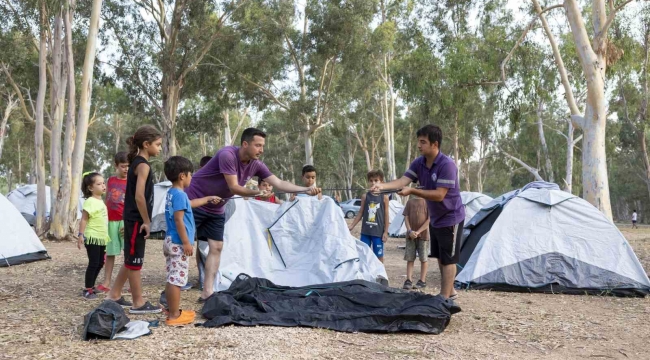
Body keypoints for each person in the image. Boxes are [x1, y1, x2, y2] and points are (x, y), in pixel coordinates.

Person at [186, 127, 322, 302]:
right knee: (182, 246)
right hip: (196, 201)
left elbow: (278, 183)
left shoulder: (256, 164)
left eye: (263, 146)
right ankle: (172, 290)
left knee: (216, 247)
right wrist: (256, 193)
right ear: (245, 144)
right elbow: (233, 187)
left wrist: (305, 189)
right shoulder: (227, 155)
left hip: (216, 208)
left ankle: (208, 292)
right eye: (258, 145)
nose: (261, 150)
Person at [370, 124, 464, 301]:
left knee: (449, 259)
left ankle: (444, 298)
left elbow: (439, 195)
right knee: (441, 258)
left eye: (423, 142)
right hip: (436, 218)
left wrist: (412, 191)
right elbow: (402, 181)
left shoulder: (447, 165)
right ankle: (450, 292)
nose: (419, 145)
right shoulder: (419, 162)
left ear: (435, 144)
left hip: (451, 217)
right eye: (418, 142)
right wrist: (382, 186)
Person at [106, 125, 163, 314]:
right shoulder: (143, 165)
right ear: (146, 144)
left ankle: (114, 294)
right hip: (136, 219)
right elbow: (139, 196)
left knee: (131, 258)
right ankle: (138, 303)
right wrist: (146, 221)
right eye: (158, 144)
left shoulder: (138, 163)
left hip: (132, 218)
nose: (160, 148)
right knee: (135, 260)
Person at [162, 156, 221, 325]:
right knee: (177, 278)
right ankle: (174, 316)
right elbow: (179, 220)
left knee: (172, 276)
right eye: (190, 175)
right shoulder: (180, 195)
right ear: (182, 176)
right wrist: (186, 242)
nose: (191, 178)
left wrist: (208, 198)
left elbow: (191, 203)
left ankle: (173, 310)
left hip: (170, 240)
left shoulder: (173, 193)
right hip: (179, 243)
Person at [99, 152, 129, 292]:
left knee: (129, 253)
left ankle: (130, 283)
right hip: (111, 221)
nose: (126, 169)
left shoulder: (132, 181)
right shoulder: (110, 180)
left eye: (128, 166)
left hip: (125, 221)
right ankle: (106, 282)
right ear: (116, 165)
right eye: (123, 166)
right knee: (109, 253)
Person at [77, 172, 110, 300]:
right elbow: (84, 219)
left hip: (101, 237)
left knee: (100, 263)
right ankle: (87, 289)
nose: (103, 186)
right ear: (91, 188)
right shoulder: (90, 201)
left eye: (103, 183)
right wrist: (81, 235)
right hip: (92, 237)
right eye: (99, 184)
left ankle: (91, 286)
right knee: (94, 262)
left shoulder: (101, 201)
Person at [348, 170, 390, 263]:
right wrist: (351, 226)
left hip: (378, 233)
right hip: (365, 232)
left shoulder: (384, 197)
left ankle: (380, 275)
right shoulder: (365, 196)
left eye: (376, 180)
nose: (373, 183)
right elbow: (360, 213)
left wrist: (386, 232)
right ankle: (365, 275)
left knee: (378, 256)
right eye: (371, 180)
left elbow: (386, 215)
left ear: (381, 182)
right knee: (363, 255)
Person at [402, 195, 430, 290]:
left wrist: (418, 232)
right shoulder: (410, 202)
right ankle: (408, 280)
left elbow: (429, 219)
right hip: (410, 236)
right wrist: (410, 231)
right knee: (410, 258)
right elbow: (406, 217)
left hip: (423, 235)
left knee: (423, 258)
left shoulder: (428, 202)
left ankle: (422, 280)